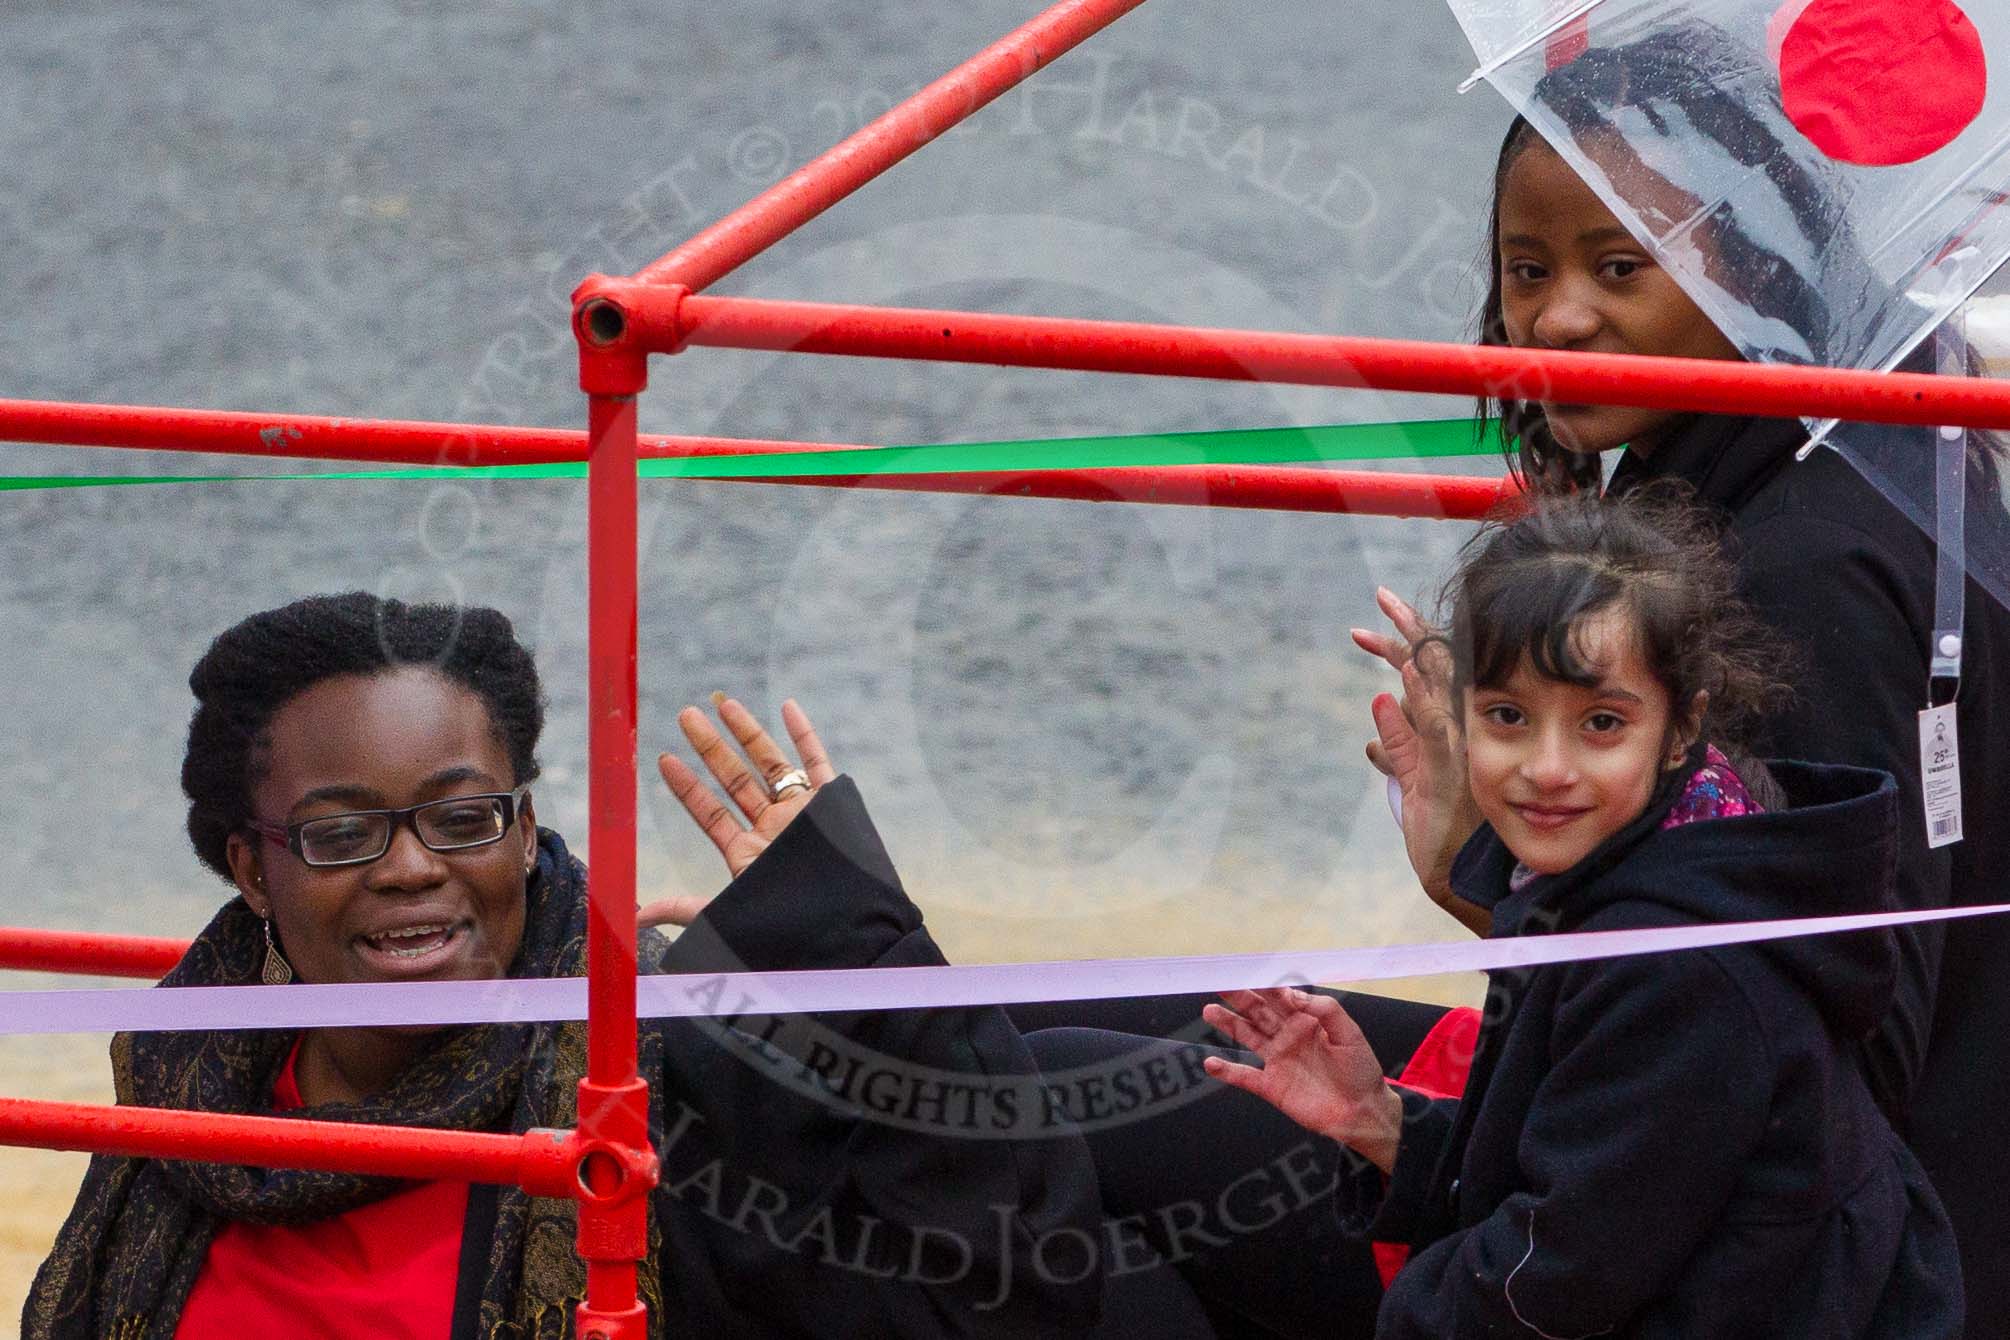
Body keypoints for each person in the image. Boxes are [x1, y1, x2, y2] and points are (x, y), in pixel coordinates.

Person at [1025, 38, 2010, 1335]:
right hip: (1669, 1156)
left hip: (1801, 1266)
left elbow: (1810, 1059)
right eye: (1524, 269)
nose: (1553, 318)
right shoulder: (1791, 475)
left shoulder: (1792, 569)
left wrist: (1480, 865)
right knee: (1047, 1038)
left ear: (1759, 274)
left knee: (1048, 1109)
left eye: (1620, 268)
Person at [21, 591, 1214, 1339]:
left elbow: (1003, 1299)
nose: (408, 868)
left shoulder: (660, 1076)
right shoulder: (187, 1103)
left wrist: (861, 951)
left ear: (528, 832)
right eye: (341, 832)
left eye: (463, 817)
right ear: (249, 864)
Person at [1205, 490, 1961, 1337]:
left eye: (1601, 723)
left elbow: (1555, 1275)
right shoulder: (1633, 865)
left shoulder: (1678, 964)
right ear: (1460, 718)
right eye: (1507, 717)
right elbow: (1582, 1176)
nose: (1547, 768)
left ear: (1681, 728)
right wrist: (1382, 1122)